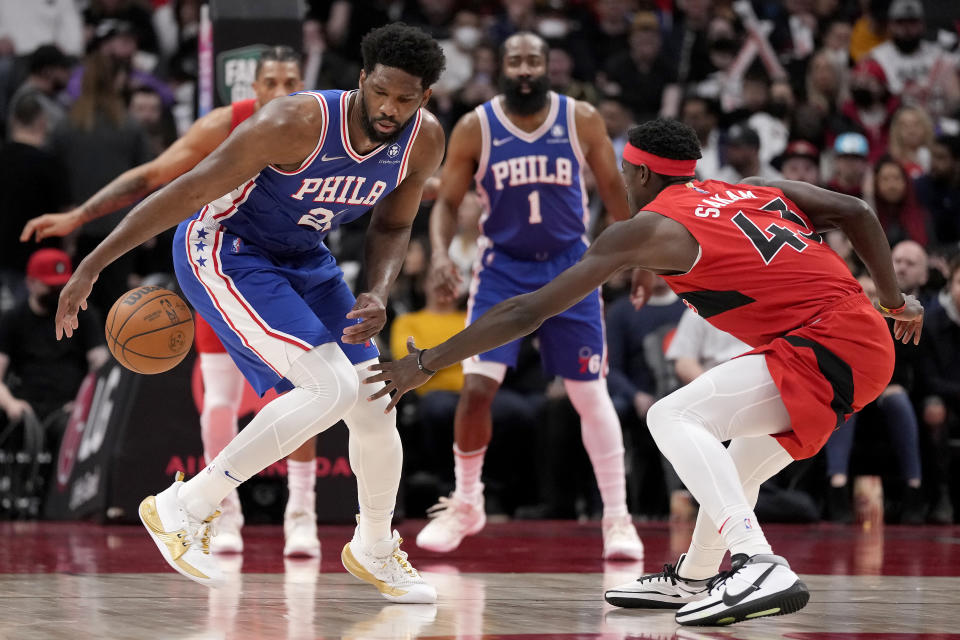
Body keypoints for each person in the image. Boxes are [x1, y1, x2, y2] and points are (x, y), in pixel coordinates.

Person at [367, 118, 924, 625]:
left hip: (826, 340)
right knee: (738, 466)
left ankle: (757, 561)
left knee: (671, 415)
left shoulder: (645, 229)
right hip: (862, 341)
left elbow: (527, 310)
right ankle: (697, 575)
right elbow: (858, 211)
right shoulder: (756, 188)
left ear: (636, 170)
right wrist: (896, 301)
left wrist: (425, 363)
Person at [54, 23, 447, 602]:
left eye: (405, 98)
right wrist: (91, 264)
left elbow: (392, 223)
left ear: (425, 97)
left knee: (375, 402)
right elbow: (186, 191)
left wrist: (379, 292)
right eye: (381, 92)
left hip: (304, 257)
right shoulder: (295, 123)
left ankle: (374, 548)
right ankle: (183, 506)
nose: (390, 108)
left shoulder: (424, 140)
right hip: (224, 248)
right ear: (362, 80)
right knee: (330, 388)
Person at [22, 46, 321, 557]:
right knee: (220, 402)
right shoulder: (229, 123)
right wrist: (78, 218)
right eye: (272, 81)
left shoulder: (322, 126)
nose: (282, 89)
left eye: (291, 79)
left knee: (308, 390)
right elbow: (152, 176)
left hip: (289, 266)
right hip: (225, 265)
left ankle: (302, 514)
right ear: (255, 89)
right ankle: (224, 514)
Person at [419, 32, 644, 559]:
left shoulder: (580, 118)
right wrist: (440, 253)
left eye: (533, 60)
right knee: (477, 389)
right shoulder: (477, 125)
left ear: (548, 66)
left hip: (572, 267)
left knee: (590, 394)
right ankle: (468, 502)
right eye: (515, 60)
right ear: (502, 66)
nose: (525, 69)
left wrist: (639, 257)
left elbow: (614, 192)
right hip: (503, 270)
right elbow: (448, 203)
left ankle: (618, 519)